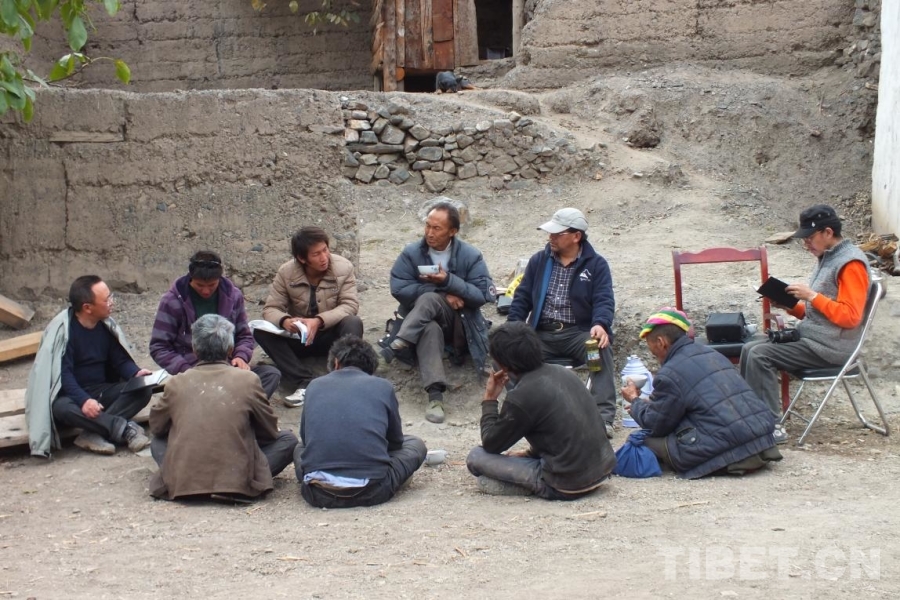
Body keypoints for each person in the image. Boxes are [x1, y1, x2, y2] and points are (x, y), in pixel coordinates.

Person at [740, 204, 870, 444]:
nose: (806, 243)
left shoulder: (850, 264)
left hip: (831, 348)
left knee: (760, 355)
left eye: (809, 237)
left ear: (828, 232)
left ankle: (769, 427)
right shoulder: (828, 257)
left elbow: (851, 317)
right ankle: (751, 419)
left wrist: (811, 296)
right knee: (749, 347)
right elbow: (820, 314)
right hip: (816, 338)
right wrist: (789, 306)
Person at [149, 314, 298, 502]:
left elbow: (157, 427)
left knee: (158, 441)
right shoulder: (249, 379)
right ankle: (239, 483)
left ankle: (185, 481)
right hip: (236, 479)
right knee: (288, 440)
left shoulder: (176, 382)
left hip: (183, 483)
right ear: (230, 349)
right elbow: (269, 432)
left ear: (194, 349)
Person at [623, 309, 782, 479]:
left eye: (651, 348)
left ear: (661, 342)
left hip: (733, 450)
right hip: (763, 441)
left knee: (638, 440)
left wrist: (635, 401)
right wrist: (653, 403)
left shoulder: (669, 373)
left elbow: (655, 425)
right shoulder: (712, 353)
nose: (653, 354)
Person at [466, 322, 617, 499]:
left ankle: (533, 486)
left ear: (504, 365)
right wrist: (530, 453)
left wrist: (490, 399)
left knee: (476, 456)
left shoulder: (522, 395)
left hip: (567, 485)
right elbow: (559, 429)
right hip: (603, 470)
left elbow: (491, 444)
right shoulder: (563, 372)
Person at [507, 207, 618, 438]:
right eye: (550, 233)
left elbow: (604, 299)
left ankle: (603, 416)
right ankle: (522, 413)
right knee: (507, 351)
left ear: (576, 236)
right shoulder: (539, 261)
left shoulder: (596, 265)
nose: (551, 237)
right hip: (541, 334)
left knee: (599, 349)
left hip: (577, 333)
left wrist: (600, 324)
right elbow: (522, 297)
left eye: (558, 234)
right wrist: (512, 327)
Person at [383, 201, 495, 423]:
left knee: (429, 299)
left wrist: (448, 280)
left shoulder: (470, 255)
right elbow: (399, 288)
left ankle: (397, 343)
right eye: (427, 226)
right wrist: (441, 292)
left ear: (452, 231)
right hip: (422, 321)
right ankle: (435, 397)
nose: (429, 233)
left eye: (437, 228)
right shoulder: (412, 253)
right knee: (430, 326)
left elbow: (482, 295)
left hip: (459, 322)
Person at [25, 275, 152, 457]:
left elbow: (120, 360)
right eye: (106, 300)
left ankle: (93, 433)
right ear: (87, 307)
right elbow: (64, 375)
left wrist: (136, 373)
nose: (111, 303)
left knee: (142, 389)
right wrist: (84, 400)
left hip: (101, 391)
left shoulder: (105, 326)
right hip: (71, 397)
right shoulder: (64, 332)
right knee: (61, 408)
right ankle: (122, 428)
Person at [294, 335, 427, 508]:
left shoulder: (314, 386)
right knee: (415, 444)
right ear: (370, 368)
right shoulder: (383, 386)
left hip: (316, 493)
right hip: (373, 491)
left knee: (299, 447)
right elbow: (395, 443)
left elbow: (306, 439)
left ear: (336, 362)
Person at [253, 227, 363, 407]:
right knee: (260, 331)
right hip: (300, 338)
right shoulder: (286, 272)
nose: (324, 257)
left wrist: (319, 321)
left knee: (353, 322)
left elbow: (350, 305)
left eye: (325, 250)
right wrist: (285, 321)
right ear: (302, 258)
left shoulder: (343, 267)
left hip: (330, 335)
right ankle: (303, 381)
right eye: (316, 254)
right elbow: (271, 308)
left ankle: (345, 379)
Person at [149, 250, 281, 399]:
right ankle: (234, 406)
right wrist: (185, 370)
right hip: (192, 372)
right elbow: (159, 347)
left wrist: (241, 357)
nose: (206, 291)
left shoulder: (233, 296)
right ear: (191, 278)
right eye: (199, 285)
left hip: (228, 368)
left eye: (212, 285)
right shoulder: (172, 301)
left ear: (219, 278)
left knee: (270, 374)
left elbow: (244, 336)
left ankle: (228, 405)